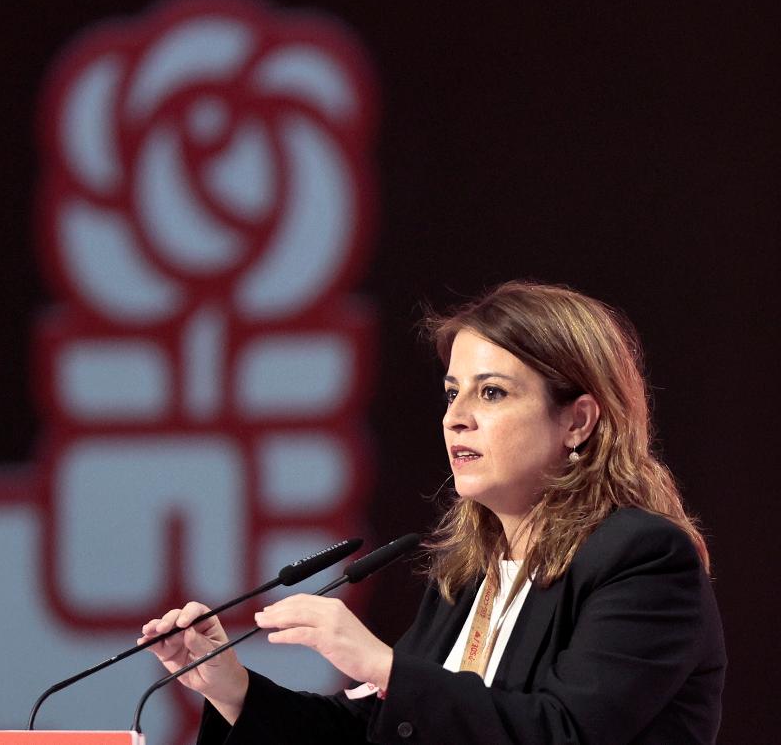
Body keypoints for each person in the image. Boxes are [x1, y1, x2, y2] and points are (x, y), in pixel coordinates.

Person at [140, 281, 725, 743]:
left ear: (577, 420)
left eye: (491, 392)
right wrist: (234, 689)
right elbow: (380, 734)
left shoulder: (643, 560)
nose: (456, 417)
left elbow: (565, 731)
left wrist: (386, 668)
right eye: (452, 393)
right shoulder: (471, 576)